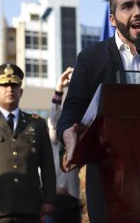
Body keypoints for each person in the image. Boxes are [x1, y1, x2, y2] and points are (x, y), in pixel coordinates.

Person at [57, 0, 140, 222]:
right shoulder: (91, 58)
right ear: (113, 19)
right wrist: (67, 133)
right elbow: (72, 109)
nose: (138, 11)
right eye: (128, 6)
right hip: (107, 176)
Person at [0, 63, 56, 223]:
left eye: (14, 85)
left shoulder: (37, 124)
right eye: (3, 85)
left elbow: (47, 165)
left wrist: (49, 199)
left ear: (21, 91)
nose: (9, 89)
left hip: (30, 208)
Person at [48, 67, 83, 223]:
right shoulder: (58, 135)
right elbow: (54, 118)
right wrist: (59, 88)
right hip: (59, 201)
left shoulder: (85, 129)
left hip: (80, 202)